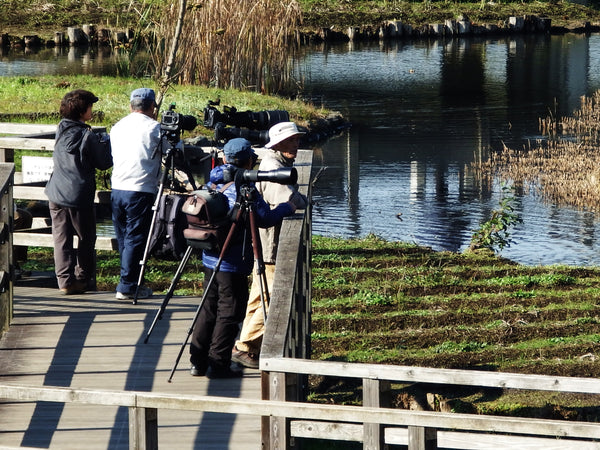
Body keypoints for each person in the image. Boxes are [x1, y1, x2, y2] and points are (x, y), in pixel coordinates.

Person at [189, 138, 302, 378]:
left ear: (225, 160)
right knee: (229, 312)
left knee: (209, 308)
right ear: (249, 161)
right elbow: (264, 219)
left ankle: (197, 361)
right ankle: (218, 364)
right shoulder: (242, 190)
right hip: (232, 262)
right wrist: (288, 207)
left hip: (210, 257)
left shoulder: (213, 181)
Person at [232, 122, 308, 369]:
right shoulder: (274, 168)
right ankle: (244, 346)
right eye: (291, 141)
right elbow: (287, 203)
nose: (296, 144)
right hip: (272, 248)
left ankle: (245, 345)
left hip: (262, 247)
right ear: (277, 144)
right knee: (273, 299)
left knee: (258, 297)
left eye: (297, 140)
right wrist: (299, 200)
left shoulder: (276, 163)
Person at [44, 89, 112, 295]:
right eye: (91, 107)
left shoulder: (61, 129)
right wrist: (105, 143)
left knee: (61, 238)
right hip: (78, 195)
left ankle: (64, 281)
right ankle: (83, 279)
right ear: (83, 110)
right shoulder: (87, 135)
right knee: (86, 237)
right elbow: (104, 163)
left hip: (56, 192)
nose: (92, 110)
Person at [110, 87, 165, 300]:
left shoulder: (118, 127)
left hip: (118, 187)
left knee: (124, 236)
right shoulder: (154, 128)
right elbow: (172, 149)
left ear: (131, 106)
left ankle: (128, 280)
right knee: (135, 237)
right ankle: (127, 286)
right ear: (152, 107)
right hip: (140, 188)